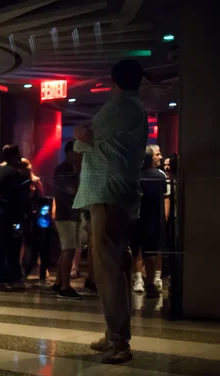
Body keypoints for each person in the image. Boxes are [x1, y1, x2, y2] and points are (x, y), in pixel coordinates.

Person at [73, 59, 149, 364]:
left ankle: (119, 342)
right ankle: (113, 333)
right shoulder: (135, 107)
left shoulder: (118, 106)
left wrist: (80, 132)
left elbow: (81, 143)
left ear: (113, 81)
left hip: (108, 193)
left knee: (109, 270)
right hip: (121, 193)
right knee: (115, 267)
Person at [0, 145, 31, 291]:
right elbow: (23, 194)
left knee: (3, 245)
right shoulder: (15, 173)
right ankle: (1, 280)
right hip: (8, 214)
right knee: (8, 246)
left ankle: (3, 279)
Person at [130, 145, 170, 298]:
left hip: (136, 217)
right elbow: (165, 195)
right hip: (153, 217)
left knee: (136, 250)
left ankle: (138, 279)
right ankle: (151, 282)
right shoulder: (160, 175)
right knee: (151, 251)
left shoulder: (133, 175)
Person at [52, 141, 83, 300]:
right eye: (79, 152)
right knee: (69, 249)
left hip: (72, 215)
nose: (82, 155)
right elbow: (73, 190)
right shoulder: (64, 170)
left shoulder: (71, 169)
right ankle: (64, 286)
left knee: (68, 249)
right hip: (66, 215)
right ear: (71, 153)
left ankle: (59, 282)